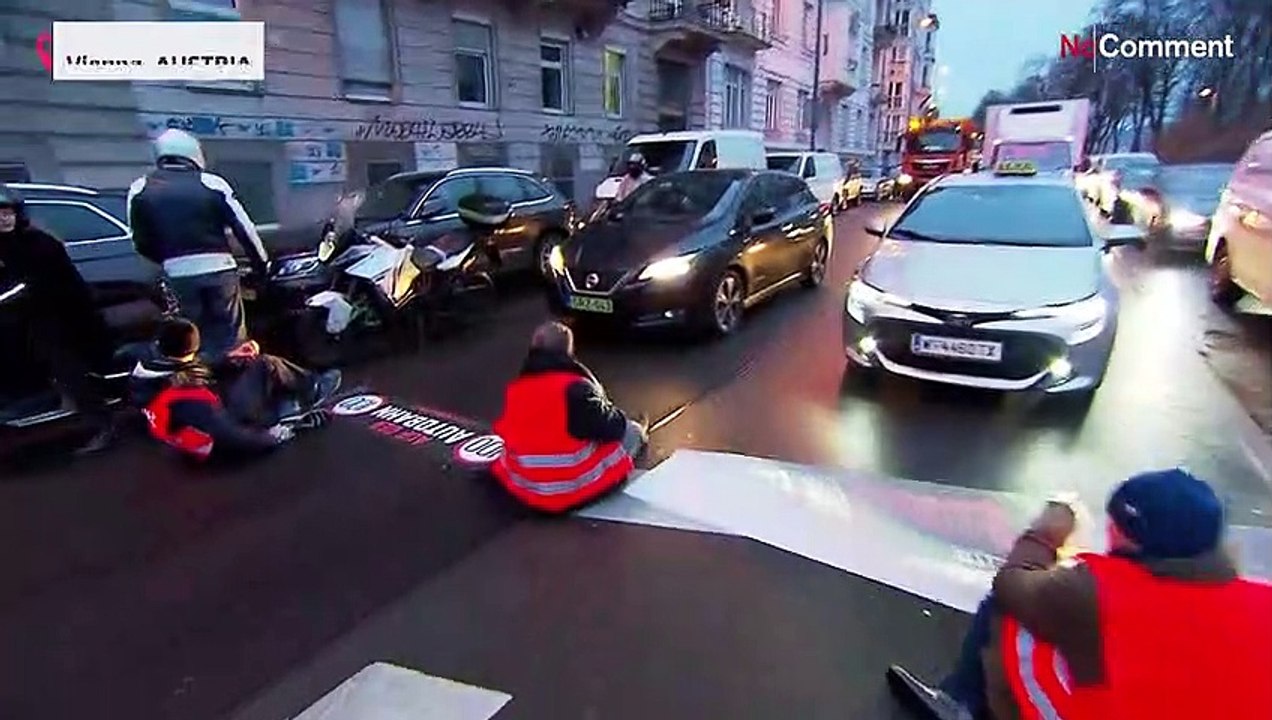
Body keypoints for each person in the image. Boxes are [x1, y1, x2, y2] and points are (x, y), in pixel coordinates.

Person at [887, 468, 1272, 720]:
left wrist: (1046, 533)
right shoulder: (1261, 601)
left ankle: (961, 704)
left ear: (1131, 536)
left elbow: (1013, 583)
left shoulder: (1094, 590)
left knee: (1008, 612)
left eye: (1116, 523)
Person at [127, 128, 271, 360]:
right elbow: (246, 230)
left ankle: (204, 384)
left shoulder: (140, 188)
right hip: (220, 270)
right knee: (232, 339)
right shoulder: (211, 183)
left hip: (179, 275)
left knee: (192, 339)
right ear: (193, 153)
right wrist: (261, 266)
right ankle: (240, 384)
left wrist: (168, 262)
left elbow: (140, 241)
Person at [0, 184, 116, 454]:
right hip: (15, 323)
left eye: (7, 212)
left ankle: (101, 424)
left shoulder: (38, 244)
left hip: (54, 318)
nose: (4, 218)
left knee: (64, 366)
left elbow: (38, 286)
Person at [130, 318, 342, 462]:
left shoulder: (148, 363)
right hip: (226, 423)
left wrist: (230, 357)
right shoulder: (190, 397)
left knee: (239, 369)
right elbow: (230, 437)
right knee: (265, 364)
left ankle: (279, 402)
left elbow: (191, 366)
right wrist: (273, 438)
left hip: (179, 424)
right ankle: (312, 389)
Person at [490, 321, 647, 514]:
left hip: (526, 488)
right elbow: (611, 428)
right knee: (632, 431)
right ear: (568, 351)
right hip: (568, 490)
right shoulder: (575, 388)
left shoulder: (517, 388)